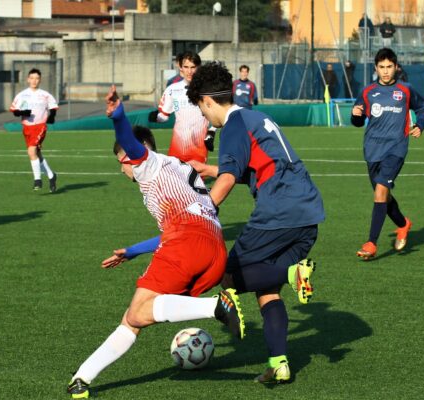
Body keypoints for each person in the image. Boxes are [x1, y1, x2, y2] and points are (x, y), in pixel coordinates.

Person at [67, 86, 245, 399]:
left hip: (186, 241)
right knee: (135, 315)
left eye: (122, 161)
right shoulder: (182, 167)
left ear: (128, 156)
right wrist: (133, 251)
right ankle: (82, 378)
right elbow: (188, 224)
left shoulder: (145, 163)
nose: (124, 167)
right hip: (213, 249)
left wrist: (118, 116)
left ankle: (216, 306)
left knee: (138, 313)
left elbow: (130, 142)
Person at [186, 61, 325, 384]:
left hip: (279, 211)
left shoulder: (233, 126)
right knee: (267, 289)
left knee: (225, 273)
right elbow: (258, 163)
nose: (204, 117)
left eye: (201, 110)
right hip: (307, 212)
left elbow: (229, 179)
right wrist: (208, 170)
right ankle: (279, 362)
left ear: (207, 101)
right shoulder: (255, 116)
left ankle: (294, 272)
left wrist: (199, 213)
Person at [351, 48, 424, 259]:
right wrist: (356, 115)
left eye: (389, 67)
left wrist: (420, 125)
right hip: (372, 149)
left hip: (396, 148)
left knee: (380, 193)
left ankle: (371, 243)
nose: (386, 72)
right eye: (382, 67)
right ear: (376, 68)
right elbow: (358, 122)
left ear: (396, 67)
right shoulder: (368, 92)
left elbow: (422, 108)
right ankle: (403, 224)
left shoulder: (406, 90)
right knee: (384, 197)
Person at [148, 51, 215, 161]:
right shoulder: (172, 89)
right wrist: (155, 118)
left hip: (199, 147)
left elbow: (220, 116)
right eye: (186, 67)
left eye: (193, 67)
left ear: (198, 68)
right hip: (177, 147)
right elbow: (164, 116)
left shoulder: (207, 90)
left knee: (195, 178)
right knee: (173, 177)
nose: (189, 71)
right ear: (180, 67)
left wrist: (211, 132)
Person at [10, 68, 58, 192]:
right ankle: (51, 175)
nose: (34, 81)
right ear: (27, 79)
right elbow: (14, 110)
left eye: (37, 78)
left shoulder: (45, 95)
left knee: (31, 152)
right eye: (32, 78)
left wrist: (51, 116)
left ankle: (37, 180)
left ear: (40, 80)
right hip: (27, 128)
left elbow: (53, 107)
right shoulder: (22, 95)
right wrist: (21, 112)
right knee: (37, 154)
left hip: (40, 127)